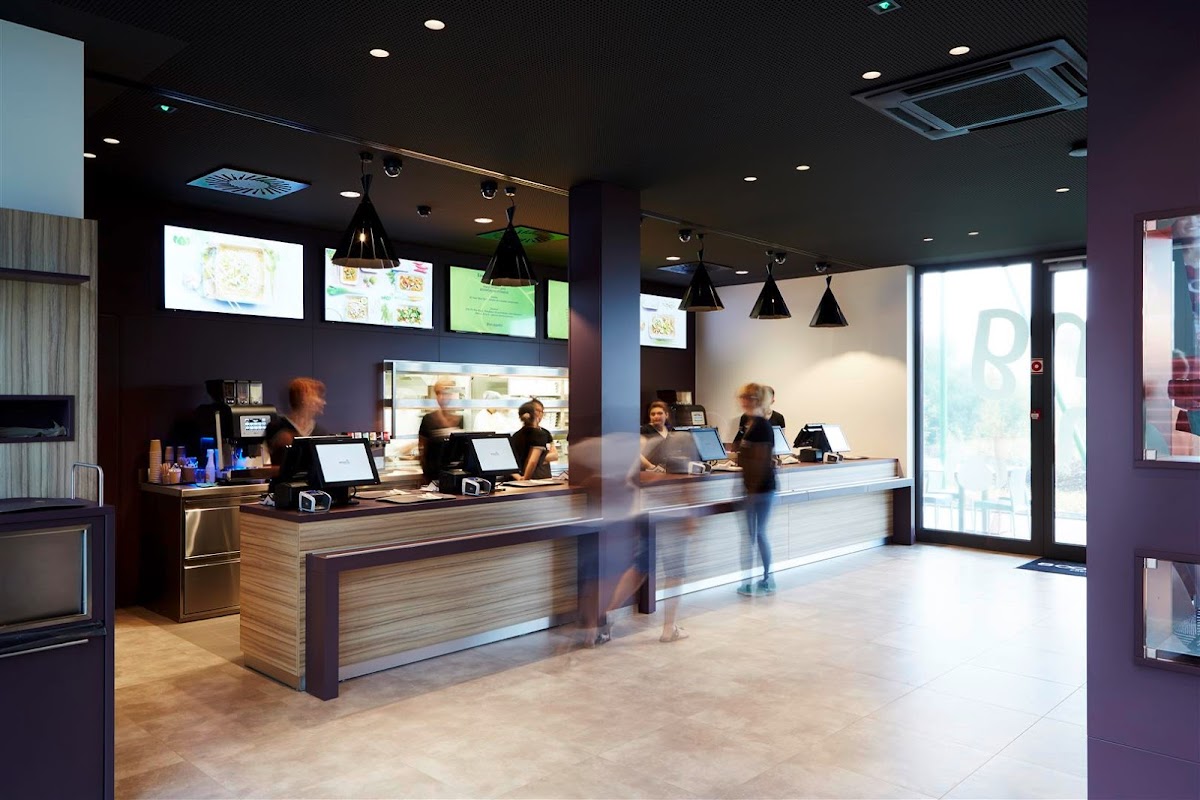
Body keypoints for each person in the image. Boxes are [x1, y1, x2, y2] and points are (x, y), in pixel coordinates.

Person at [735, 382, 777, 596]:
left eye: (750, 397)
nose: (745, 401)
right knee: (751, 535)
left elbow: (760, 463)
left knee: (757, 534)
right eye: (743, 397)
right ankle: (750, 581)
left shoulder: (761, 426)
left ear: (758, 400)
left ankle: (767, 579)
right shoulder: (750, 423)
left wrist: (751, 492)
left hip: (760, 490)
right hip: (752, 489)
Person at [264, 377, 327, 465]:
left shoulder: (320, 432)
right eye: (318, 396)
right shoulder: (277, 427)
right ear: (303, 398)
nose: (324, 402)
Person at [418, 378, 463, 482]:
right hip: (433, 478)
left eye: (446, 393)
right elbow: (422, 450)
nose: (442, 397)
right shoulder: (428, 419)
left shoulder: (461, 419)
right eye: (438, 393)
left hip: (456, 477)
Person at [509, 399, 559, 480]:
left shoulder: (545, 433)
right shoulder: (519, 436)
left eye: (541, 411)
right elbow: (532, 461)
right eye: (537, 411)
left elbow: (554, 455)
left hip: (541, 477)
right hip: (535, 479)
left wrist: (536, 458)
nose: (539, 414)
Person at [639, 400, 673, 471]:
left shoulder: (669, 430)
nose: (656, 416)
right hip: (650, 472)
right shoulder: (644, 430)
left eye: (660, 413)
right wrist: (651, 467)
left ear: (666, 415)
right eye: (653, 414)